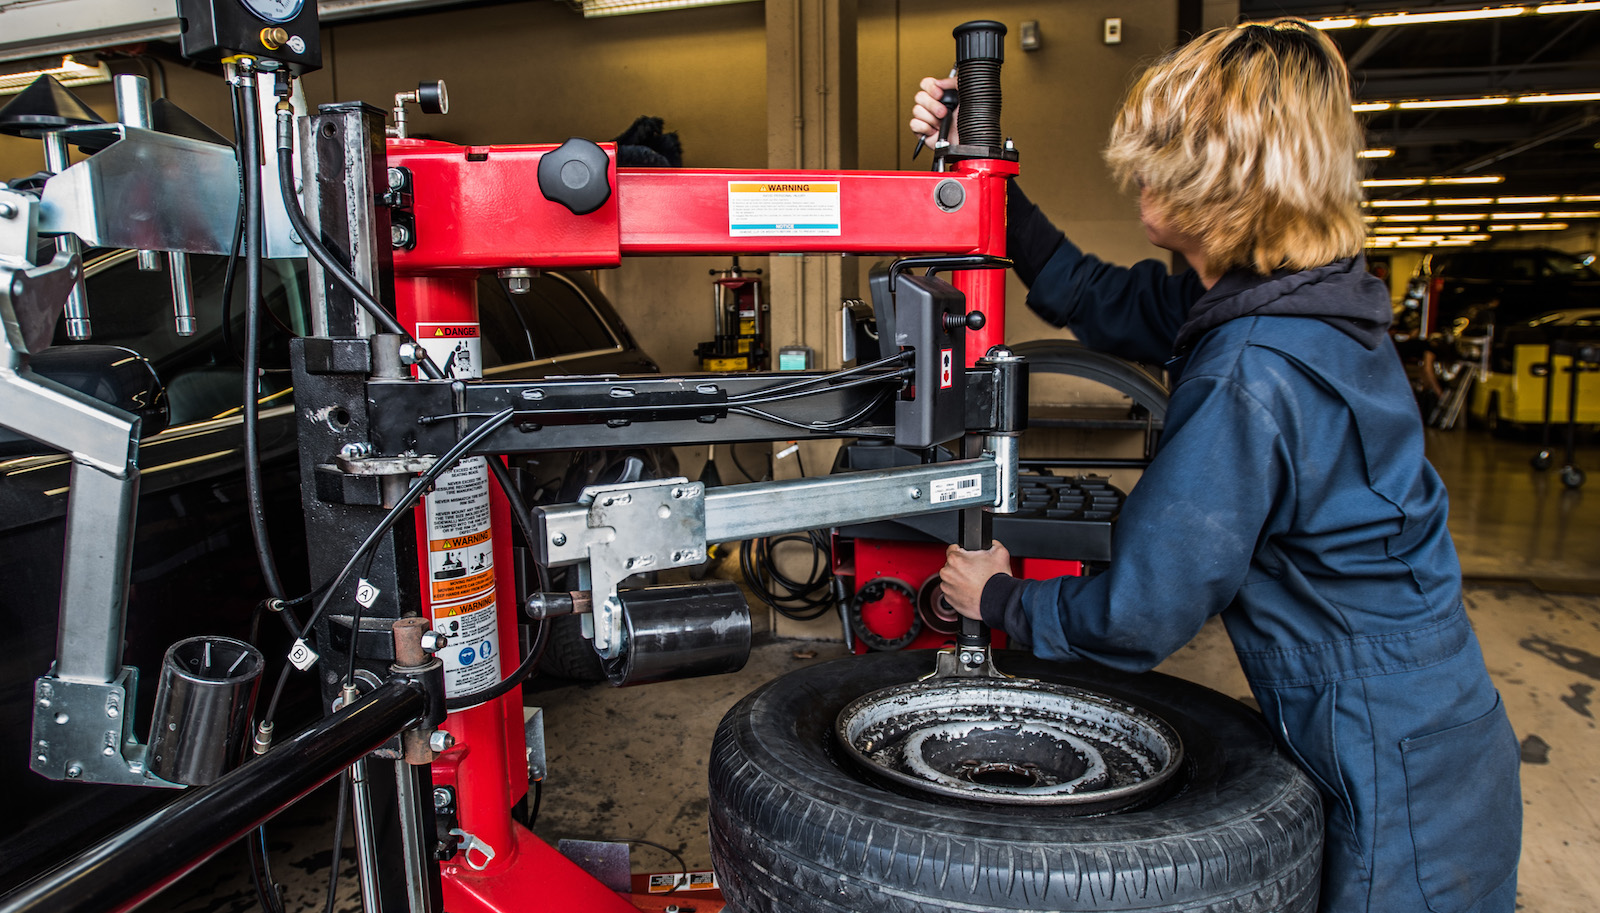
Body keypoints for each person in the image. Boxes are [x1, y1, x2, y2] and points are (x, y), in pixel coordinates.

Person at [915, 19, 1520, 913]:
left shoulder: (1251, 367)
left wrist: (998, 598)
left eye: (1165, 148)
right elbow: (1095, 293)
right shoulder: (1294, 303)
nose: (1141, 169)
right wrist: (979, 172)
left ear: (1221, 176)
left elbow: (1143, 609)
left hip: (1396, 765)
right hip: (1430, 728)